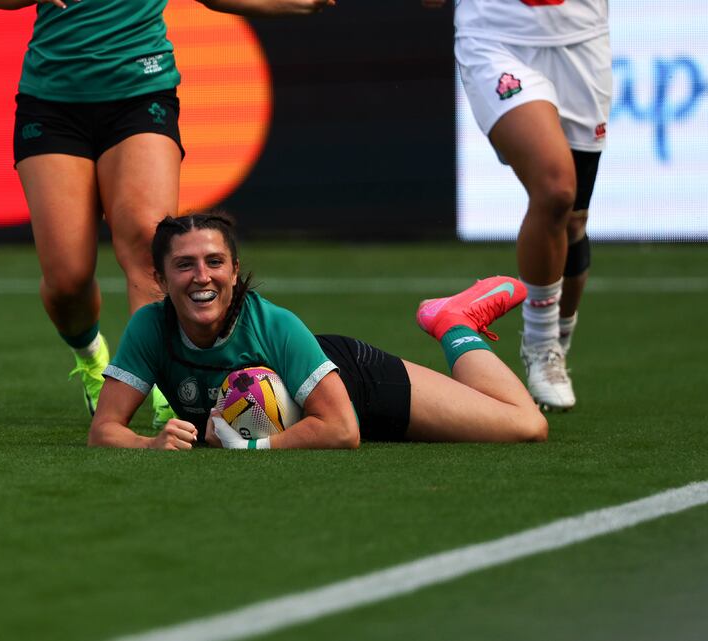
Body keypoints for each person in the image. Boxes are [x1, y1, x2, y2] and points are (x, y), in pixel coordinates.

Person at [0, 0, 336, 428]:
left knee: (151, 252)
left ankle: (168, 388)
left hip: (141, 92)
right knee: (67, 281)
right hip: (52, 102)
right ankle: (92, 359)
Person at [88, 212, 547, 450]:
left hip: (355, 385)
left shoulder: (275, 325)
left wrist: (251, 447)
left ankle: (455, 322)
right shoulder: (150, 326)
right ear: (161, 280)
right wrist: (150, 442)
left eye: (215, 262)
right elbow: (104, 428)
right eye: (184, 265)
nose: (201, 277)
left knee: (525, 426)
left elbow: (343, 430)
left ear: (235, 270)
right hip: (310, 415)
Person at [422, 0, 611, 410]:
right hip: (496, 34)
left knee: (573, 219)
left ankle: (558, 338)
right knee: (556, 190)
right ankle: (541, 346)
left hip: (582, 37)